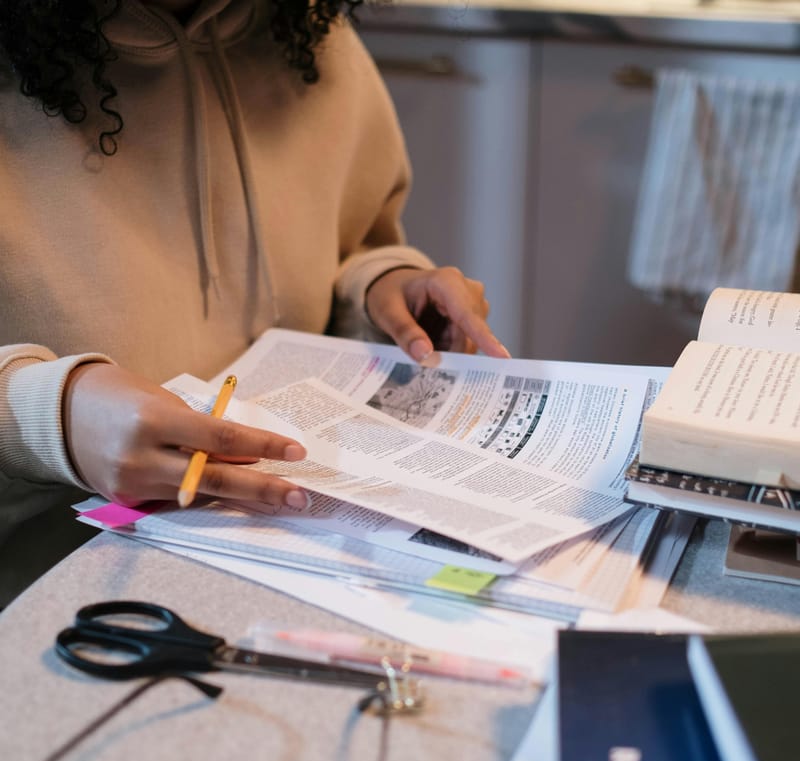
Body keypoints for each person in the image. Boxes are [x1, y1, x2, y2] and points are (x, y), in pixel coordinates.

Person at [0, 0, 509, 603]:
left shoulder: (308, 32)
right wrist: (42, 418)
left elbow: (348, 243)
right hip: (50, 581)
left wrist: (378, 287)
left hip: (290, 544)